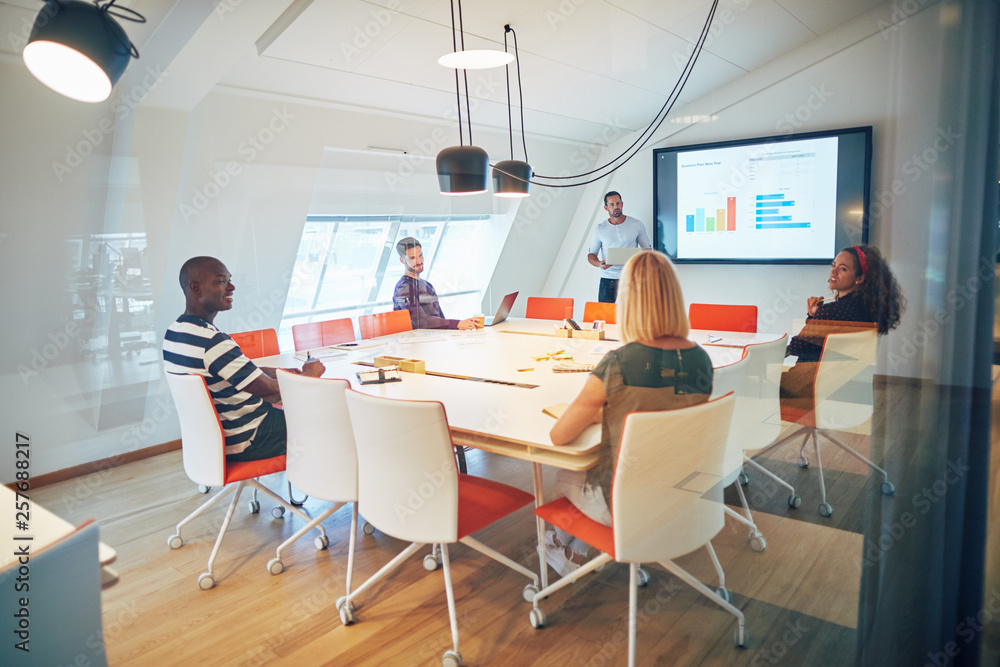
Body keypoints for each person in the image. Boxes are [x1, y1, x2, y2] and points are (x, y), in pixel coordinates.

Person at [546, 250, 713, 576]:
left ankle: (564, 550)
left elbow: (559, 436)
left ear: (629, 302)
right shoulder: (700, 359)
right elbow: (666, 408)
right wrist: (614, 413)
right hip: (685, 491)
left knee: (565, 474)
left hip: (627, 505)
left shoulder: (618, 362)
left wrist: (601, 413)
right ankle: (577, 548)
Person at [163, 256, 325, 461]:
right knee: (330, 416)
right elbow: (272, 390)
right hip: (249, 438)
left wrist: (269, 372)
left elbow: (227, 373)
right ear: (196, 288)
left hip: (215, 439)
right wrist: (311, 373)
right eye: (221, 281)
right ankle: (328, 483)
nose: (231, 287)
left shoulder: (175, 332)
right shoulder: (212, 341)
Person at [781, 244, 905, 404]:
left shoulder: (831, 312)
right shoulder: (868, 311)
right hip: (842, 392)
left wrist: (815, 317)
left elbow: (798, 347)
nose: (833, 272)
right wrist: (814, 316)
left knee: (746, 383)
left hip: (805, 391)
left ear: (860, 278)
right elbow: (816, 344)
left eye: (843, 269)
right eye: (833, 266)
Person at [392, 237, 481, 330]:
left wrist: (458, 327)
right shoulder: (404, 287)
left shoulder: (428, 285)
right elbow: (420, 322)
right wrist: (457, 324)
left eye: (420, 255)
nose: (419, 261)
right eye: (412, 258)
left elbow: (440, 317)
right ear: (402, 260)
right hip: (419, 341)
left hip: (435, 337)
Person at [586, 191, 652, 304]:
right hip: (608, 278)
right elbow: (591, 254)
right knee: (605, 315)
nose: (616, 207)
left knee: (634, 315)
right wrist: (600, 264)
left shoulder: (636, 224)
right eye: (612, 204)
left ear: (622, 204)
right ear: (606, 208)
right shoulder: (600, 229)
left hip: (632, 277)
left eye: (618, 203)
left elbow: (648, 249)